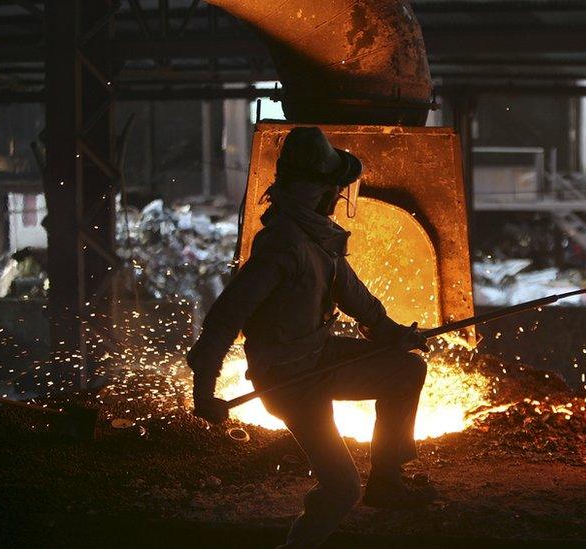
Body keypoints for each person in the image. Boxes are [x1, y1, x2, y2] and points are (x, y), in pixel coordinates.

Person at [186, 127, 436, 548]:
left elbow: (356, 296)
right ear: (316, 191)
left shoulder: (318, 240)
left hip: (318, 358)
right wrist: (203, 389)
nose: (337, 199)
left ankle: (388, 480)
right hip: (291, 381)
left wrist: (391, 333)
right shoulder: (283, 246)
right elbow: (225, 318)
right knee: (342, 490)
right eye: (333, 190)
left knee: (406, 370)